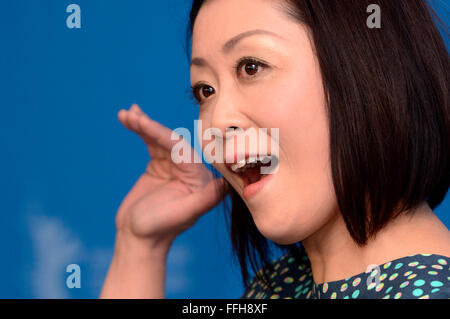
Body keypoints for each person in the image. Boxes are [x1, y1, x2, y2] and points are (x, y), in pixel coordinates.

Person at [100, 0, 450, 299]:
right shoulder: (280, 285)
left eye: (251, 67)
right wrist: (139, 245)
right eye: (205, 91)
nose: (216, 122)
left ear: (369, 65)